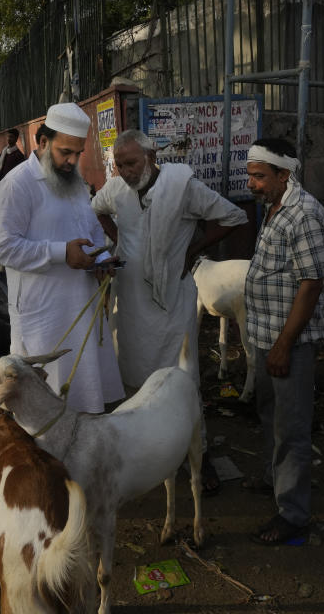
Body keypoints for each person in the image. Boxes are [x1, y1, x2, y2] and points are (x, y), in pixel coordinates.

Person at [92, 129, 248, 492]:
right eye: (120, 165)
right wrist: (116, 240)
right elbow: (95, 209)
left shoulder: (182, 186)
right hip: (130, 300)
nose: (126, 171)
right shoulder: (116, 190)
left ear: (151, 155)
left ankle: (199, 452)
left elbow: (232, 217)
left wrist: (192, 251)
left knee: (182, 376)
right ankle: (144, 451)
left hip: (173, 301)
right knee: (134, 376)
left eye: (131, 163)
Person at [0, 102, 124, 414]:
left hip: (82, 304)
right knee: (45, 404)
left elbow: (89, 230)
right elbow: (1, 247)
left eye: (78, 153)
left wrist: (100, 261)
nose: (72, 161)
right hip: (44, 314)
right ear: (43, 141)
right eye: (65, 152)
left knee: (85, 398)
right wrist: (61, 253)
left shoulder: (74, 182)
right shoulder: (17, 185)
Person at [241, 138, 324, 545]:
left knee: (292, 428)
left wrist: (283, 345)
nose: (252, 184)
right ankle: (276, 479)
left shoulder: (305, 214)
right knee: (269, 414)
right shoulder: (275, 208)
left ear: (283, 175)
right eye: (250, 175)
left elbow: (310, 286)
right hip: (265, 336)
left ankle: (293, 513)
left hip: (288, 343)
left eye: (260, 177)